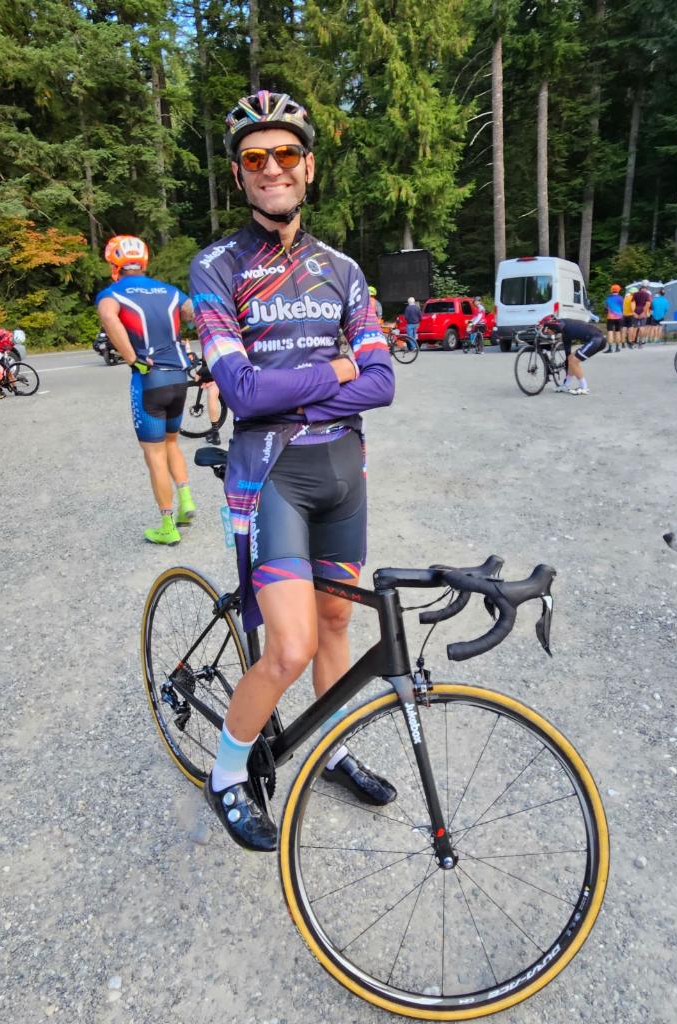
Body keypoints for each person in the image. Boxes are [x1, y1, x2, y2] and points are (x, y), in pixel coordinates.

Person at [189, 91, 396, 852]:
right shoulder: (216, 267)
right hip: (270, 474)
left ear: (308, 167)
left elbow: (383, 384)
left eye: (284, 155)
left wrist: (309, 377)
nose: (271, 168)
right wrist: (336, 365)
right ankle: (227, 774)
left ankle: (332, 746)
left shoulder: (343, 270)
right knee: (290, 648)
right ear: (241, 178)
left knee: (338, 620)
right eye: (254, 159)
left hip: (343, 468)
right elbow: (240, 392)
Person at [96, 235, 197, 545]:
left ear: (114, 263)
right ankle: (187, 501)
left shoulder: (111, 293)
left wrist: (132, 358)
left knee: (153, 454)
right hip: (179, 378)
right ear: (144, 260)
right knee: (172, 443)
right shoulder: (169, 291)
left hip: (149, 379)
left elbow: (109, 318)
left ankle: (167, 526)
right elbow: (194, 313)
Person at [540, 315, 605, 395]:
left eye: (547, 329)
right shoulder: (565, 334)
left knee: (574, 361)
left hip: (597, 338)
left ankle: (584, 387)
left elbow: (558, 326)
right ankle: (566, 385)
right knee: (571, 358)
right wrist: (567, 364)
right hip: (595, 339)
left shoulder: (562, 322)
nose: (547, 332)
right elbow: (568, 354)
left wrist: (545, 324)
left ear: (552, 324)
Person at [604, 284, 624, 353]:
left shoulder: (608, 298)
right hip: (619, 317)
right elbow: (622, 308)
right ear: (618, 290)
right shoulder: (621, 298)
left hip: (610, 317)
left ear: (611, 290)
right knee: (618, 332)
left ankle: (610, 348)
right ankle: (617, 348)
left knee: (610, 332)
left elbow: (606, 307)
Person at [632, 279, 653, 346]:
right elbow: (648, 304)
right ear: (647, 287)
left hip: (636, 311)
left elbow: (632, 303)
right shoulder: (647, 295)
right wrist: (644, 312)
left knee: (635, 327)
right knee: (642, 327)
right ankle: (640, 342)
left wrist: (633, 312)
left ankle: (633, 342)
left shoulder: (635, 294)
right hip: (643, 311)